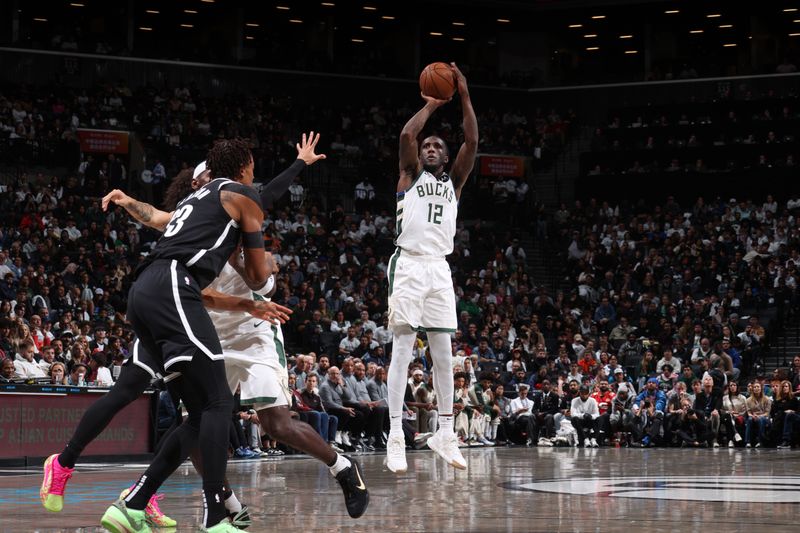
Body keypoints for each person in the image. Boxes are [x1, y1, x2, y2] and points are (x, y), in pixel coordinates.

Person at [386, 63, 478, 473]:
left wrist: (464, 96)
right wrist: (432, 105)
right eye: (428, 146)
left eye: (438, 146)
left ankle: (445, 432)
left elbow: (472, 140)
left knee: (444, 355)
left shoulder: (454, 182)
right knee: (403, 352)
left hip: (439, 269)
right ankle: (395, 435)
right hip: (408, 264)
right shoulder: (409, 175)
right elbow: (407, 134)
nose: (431, 148)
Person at [744, 381, 772, 448]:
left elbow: (767, 413)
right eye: (754, 387)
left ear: (761, 388)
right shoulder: (748, 400)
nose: (756, 388)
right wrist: (752, 416)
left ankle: (760, 441)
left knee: (760, 419)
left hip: (764, 417)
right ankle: (748, 442)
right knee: (750, 419)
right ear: (752, 389)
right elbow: (748, 412)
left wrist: (759, 416)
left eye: (758, 387)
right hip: (753, 416)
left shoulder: (767, 399)